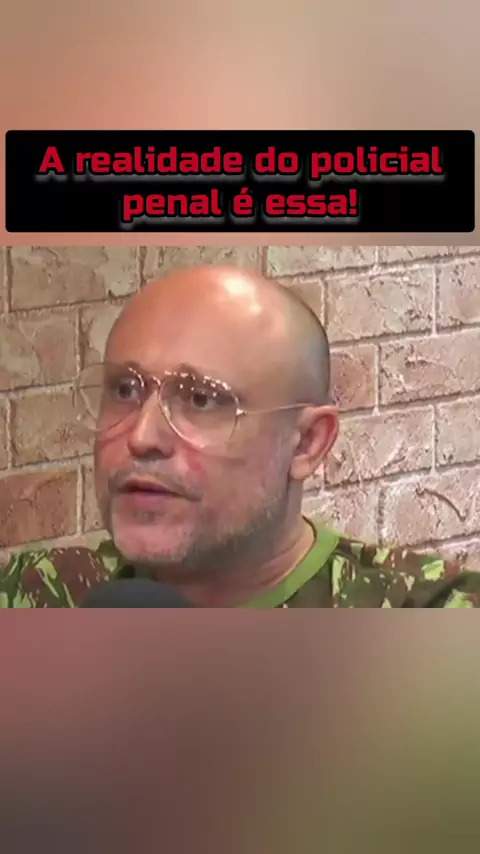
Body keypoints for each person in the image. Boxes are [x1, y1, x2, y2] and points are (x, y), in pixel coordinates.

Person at [1, 264, 479, 607]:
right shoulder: (37, 593)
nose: (141, 437)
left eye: (201, 399)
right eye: (125, 390)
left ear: (307, 443)